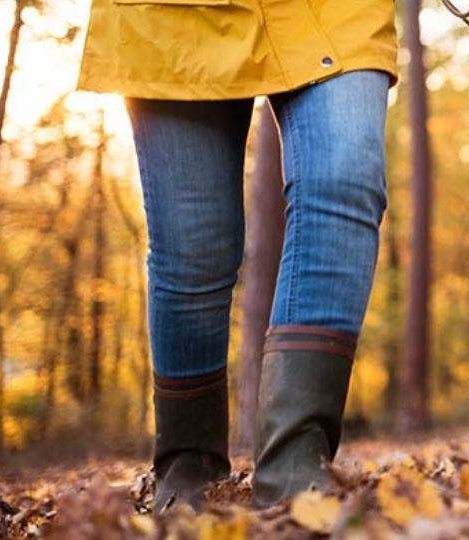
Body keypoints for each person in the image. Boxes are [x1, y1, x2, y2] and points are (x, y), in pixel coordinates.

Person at [77, 0, 398, 510]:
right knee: (193, 249)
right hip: (171, 16)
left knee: (344, 179)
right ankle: (187, 469)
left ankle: (297, 464)